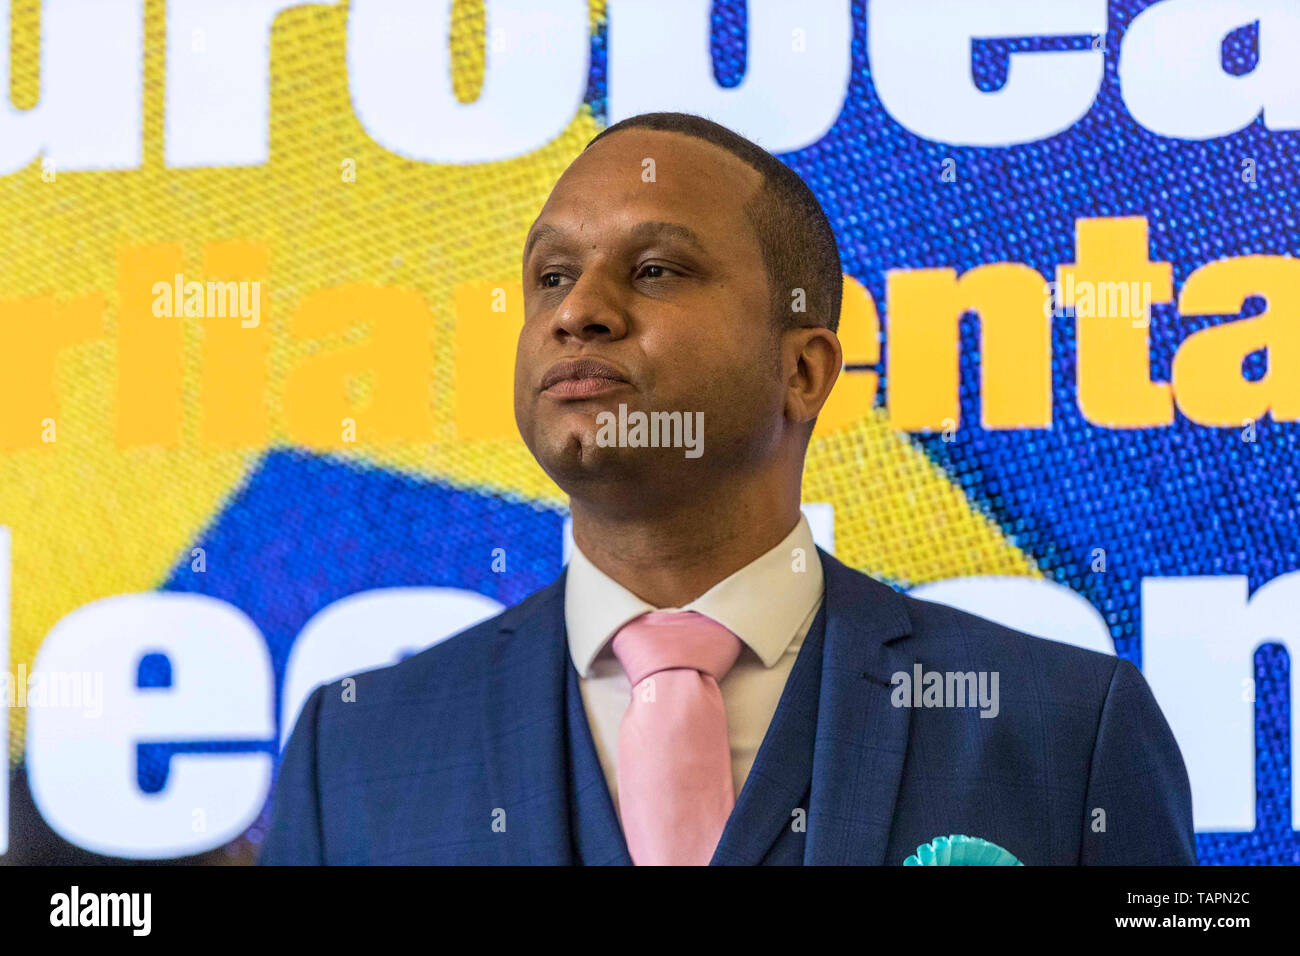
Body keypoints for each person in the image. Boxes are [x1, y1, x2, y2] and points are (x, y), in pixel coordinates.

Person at [260, 112, 1196, 866]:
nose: (577, 310)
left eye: (656, 269)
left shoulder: (1065, 731)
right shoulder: (353, 755)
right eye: (550, 276)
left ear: (803, 371)